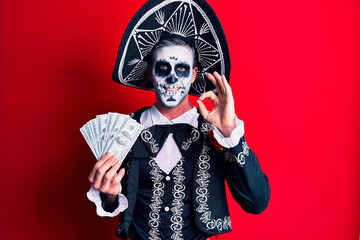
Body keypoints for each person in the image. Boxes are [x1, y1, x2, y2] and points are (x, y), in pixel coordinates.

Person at [87, 1, 270, 239]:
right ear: (150, 73)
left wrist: (230, 132)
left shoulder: (216, 131)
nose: (173, 78)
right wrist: (109, 195)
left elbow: (256, 202)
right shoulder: (125, 128)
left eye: (182, 69)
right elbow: (110, 199)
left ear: (194, 74)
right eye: (163, 67)